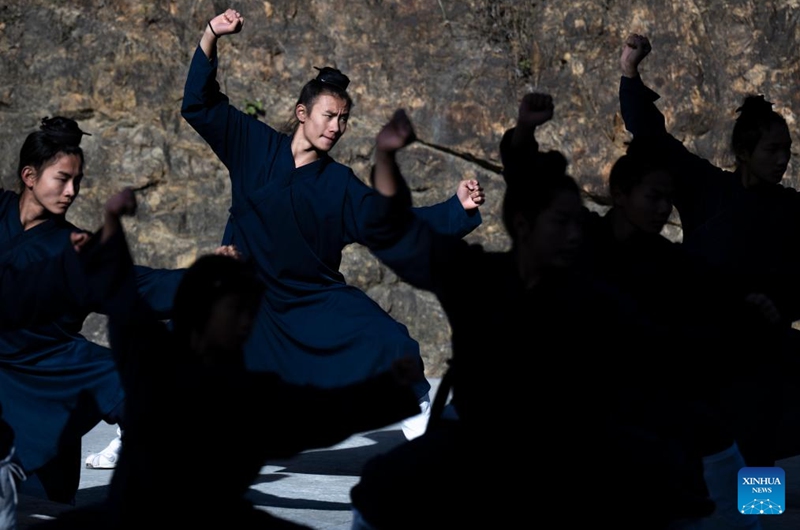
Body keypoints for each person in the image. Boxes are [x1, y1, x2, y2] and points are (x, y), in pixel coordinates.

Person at [348, 108, 714, 529]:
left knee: (686, 475)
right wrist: (386, 156)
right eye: (561, 223)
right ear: (523, 225)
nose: (574, 235)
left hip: (572, 458)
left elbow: (669, 347)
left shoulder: (596, 299)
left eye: (577, 223)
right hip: (484, 450)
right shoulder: (478, 277)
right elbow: (398, 229)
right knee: (379, 488)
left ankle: (757, 514)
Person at [31, 186, 425, 529]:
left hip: (217, 518)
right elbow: (123, 296)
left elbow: (320, 416)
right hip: (136, 517)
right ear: (201, 307)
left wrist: (391, 391)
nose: (244, 322)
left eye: (248, 312)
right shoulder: (154, 359)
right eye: (234, 310)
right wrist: (111, 222)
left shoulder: (250, 387)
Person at [181, 8, 485, 440]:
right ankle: (138, 427)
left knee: (389, 338)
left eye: (343, 119)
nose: (337, 127)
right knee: (182, 341)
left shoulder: (338, 184)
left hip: (310, 299)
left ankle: (419, 425)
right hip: (249, 296)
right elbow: (200, 102)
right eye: (329, 115)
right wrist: (212, 34)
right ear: (302, 113)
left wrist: (457, 208)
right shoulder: (252, 144)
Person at [619, 33, 800, 467]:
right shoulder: (706, 189)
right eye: (773, 150)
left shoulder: (792, 210)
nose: (783, 160)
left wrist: (779, 307)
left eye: (788, 152)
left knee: (760, 451)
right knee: (699, 453)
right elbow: (651, 136)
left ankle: (756, 520)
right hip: (703, 351)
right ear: (743, 151)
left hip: (761, 356)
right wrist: (629, 71)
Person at [0, 116, 184, 503]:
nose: (72, 191)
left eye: (77, 181)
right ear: (29, 176)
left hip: (51, 366)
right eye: (62, 179)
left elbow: (138, 284)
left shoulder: (74, 246)